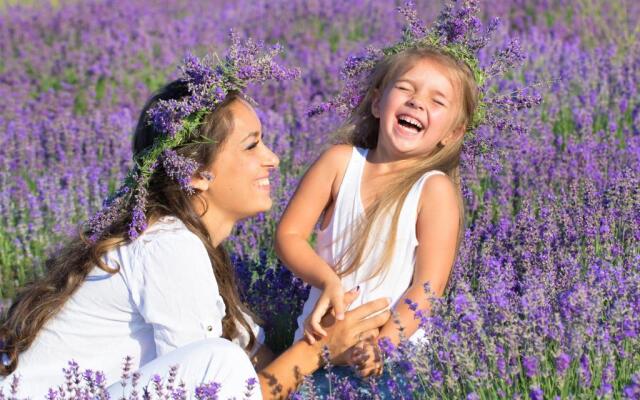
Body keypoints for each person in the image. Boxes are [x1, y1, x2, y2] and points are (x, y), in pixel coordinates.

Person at [0, 40, 390, 399]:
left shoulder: (191, 246)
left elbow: (261, 365)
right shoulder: (167, 244)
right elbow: (218, 388)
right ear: (195, 173)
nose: (272, 158)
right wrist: (319, 350)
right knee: (220, 362)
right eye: (252, 145)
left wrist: (342, 344)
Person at [276, 41, 479, 376]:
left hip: (394, 360)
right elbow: (289, 235)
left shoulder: (432, 190)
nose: (416, 101)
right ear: (376, 103)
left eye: (437, 101)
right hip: (318, 347)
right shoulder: (339, 163)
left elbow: (428, 289)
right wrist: (327, 281)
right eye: (405, 89)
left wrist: (381, 345)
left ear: (453, 134)